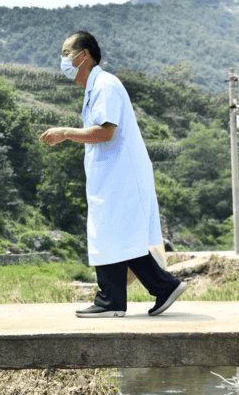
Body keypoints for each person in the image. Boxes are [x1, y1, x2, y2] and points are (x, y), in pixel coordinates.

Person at [40, 31, 186, 318]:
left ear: (84, 55)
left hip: (122, 176)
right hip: (111, 176)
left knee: (112, 233)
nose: (63, 59)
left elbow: (106, 131)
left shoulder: (106, 85)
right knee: (117, 236)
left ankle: (115, 299)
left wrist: (65, 133)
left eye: (66, 53)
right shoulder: (95, 87)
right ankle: (151, 289)